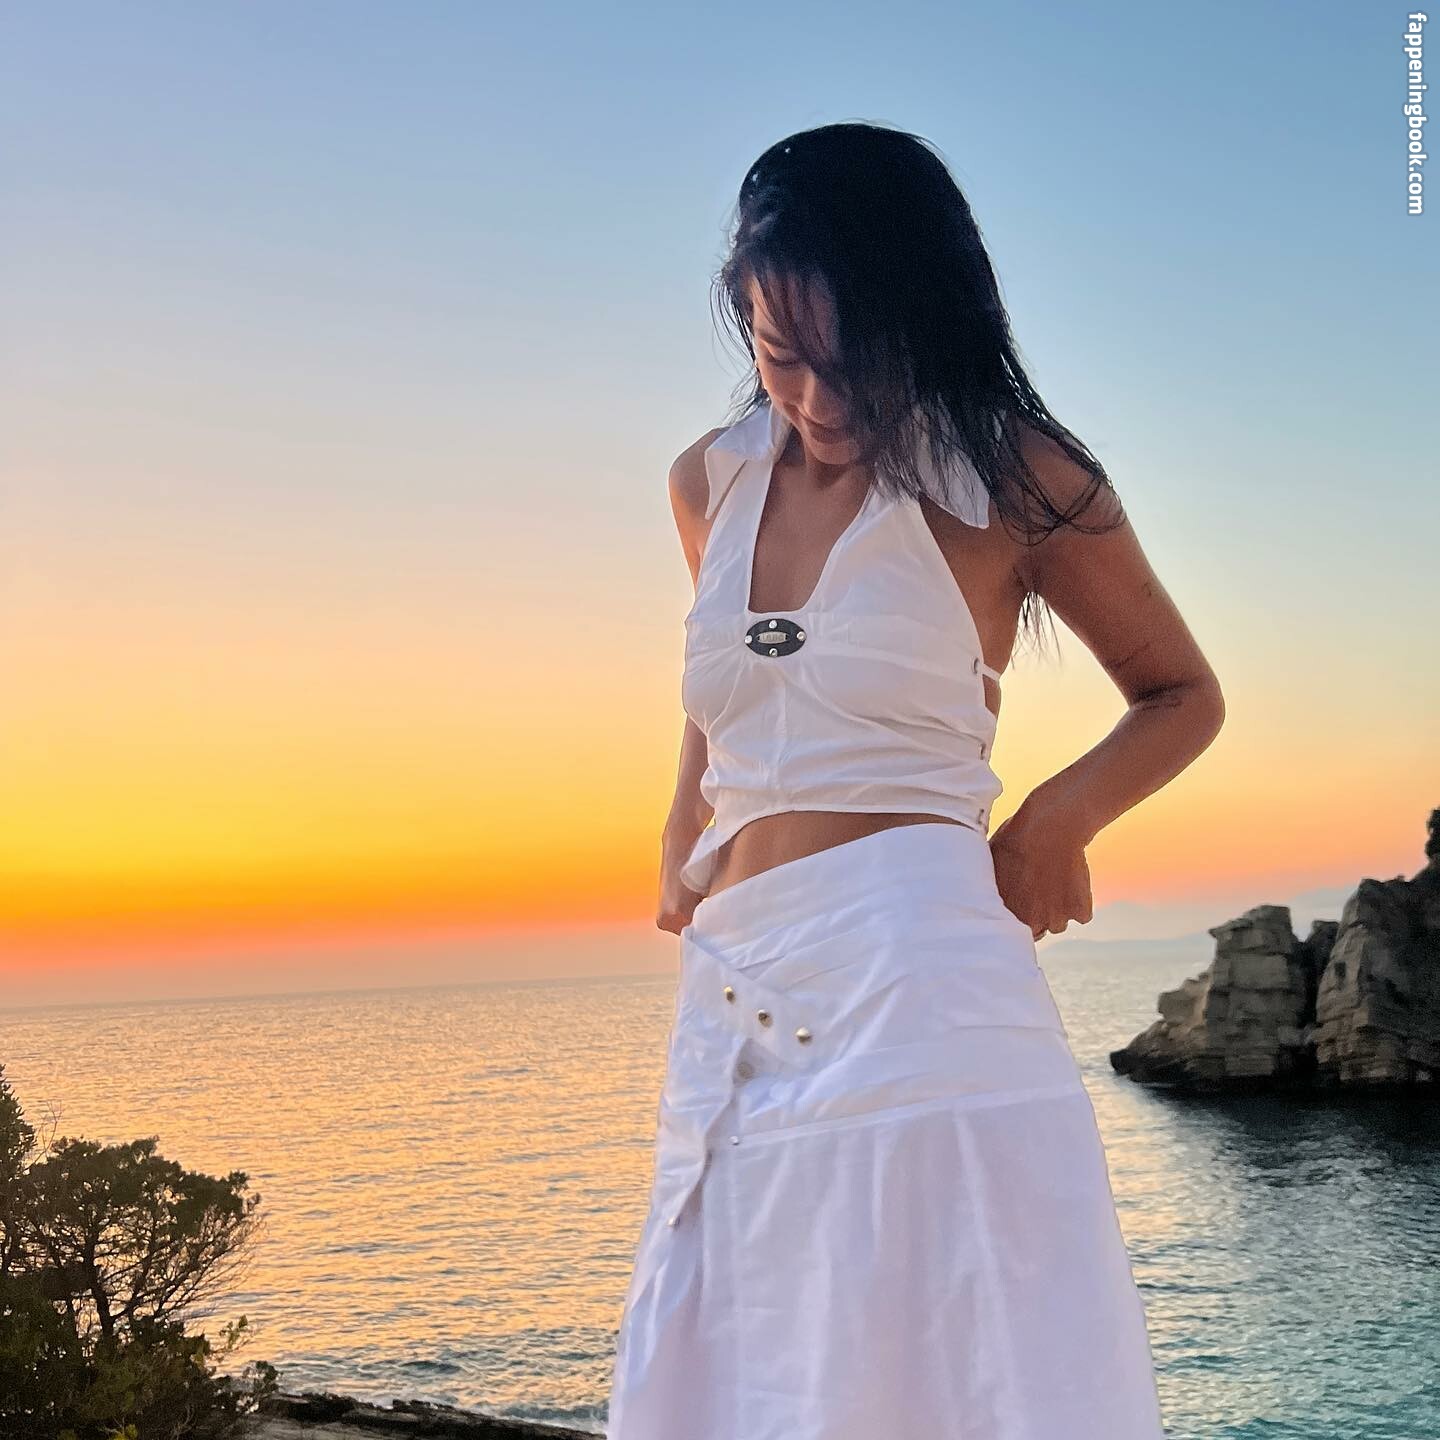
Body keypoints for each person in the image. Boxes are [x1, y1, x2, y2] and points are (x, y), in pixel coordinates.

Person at [604, 121, 1223, 1440]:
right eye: (783, 356)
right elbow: (735, 681)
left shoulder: (1020, 479)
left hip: (928, 982)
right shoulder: (707, 482)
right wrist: (678, 827)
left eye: (858, 360)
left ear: (929, 320)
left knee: (966, 1372)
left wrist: (1054, 821)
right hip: (739, 986)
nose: (820, 401)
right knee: (749, 1378)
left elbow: (1182, 694)